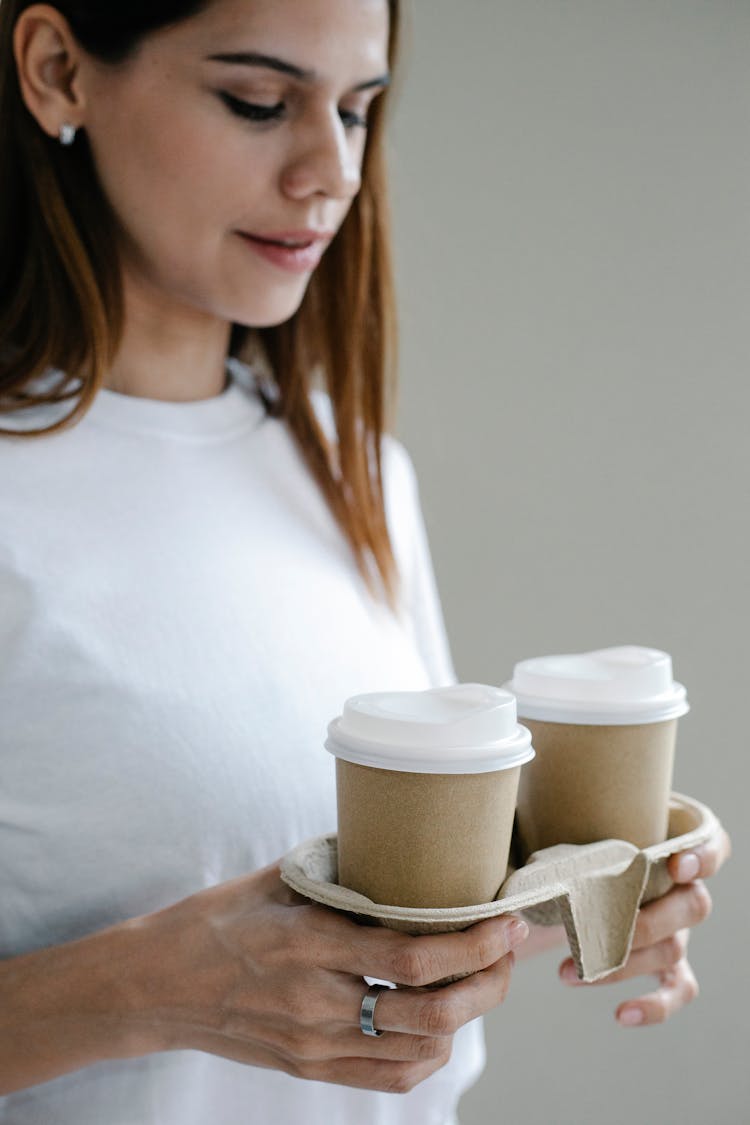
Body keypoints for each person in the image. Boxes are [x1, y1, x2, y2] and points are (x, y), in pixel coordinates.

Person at [0, 1, 731, 1122]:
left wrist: (608, 878)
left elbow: (398, 915)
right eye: (258, 102)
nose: (331, 172)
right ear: (58, 72)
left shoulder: (356, 470)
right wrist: (152, 990)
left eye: (357, 110)